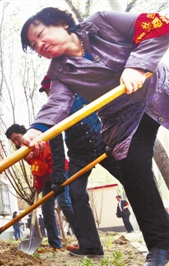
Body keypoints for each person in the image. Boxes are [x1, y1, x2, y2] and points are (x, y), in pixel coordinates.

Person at [20, 7, 169, 265]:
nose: (40, 46)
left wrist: (136, 65)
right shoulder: (59, 72)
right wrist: (35, 131)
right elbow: (57, 103)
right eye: (34, 46)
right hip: (124, 119)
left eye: (41, 35)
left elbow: (157, 25)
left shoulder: (102, 22)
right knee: (132, 171)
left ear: (62, 23)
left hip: (156, 88)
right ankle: (160, 246)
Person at [39, 75, 123, 257]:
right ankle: (92, 246)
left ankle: (162, 234)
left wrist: (113, 139)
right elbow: (56, 146)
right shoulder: (53, 112)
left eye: (50, 90)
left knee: (132, 180)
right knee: (76, 193)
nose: (49, 95)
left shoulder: (83, 93)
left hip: (103, 143)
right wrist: (58, 177)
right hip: (79, 155)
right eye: (46, 92)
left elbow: (108, 111)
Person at [6, 124, 79, 251]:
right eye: (13, 141)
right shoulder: (24, 152)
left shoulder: (34, 143)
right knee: (46, 209)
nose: (16, 142)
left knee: (64, 202)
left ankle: (83, 238)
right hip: (47, 178)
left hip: (60, 171)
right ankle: (55, 244)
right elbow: (37, 168)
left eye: (17, 138)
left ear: (24, 134)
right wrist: (38, 185)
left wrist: (38, 185)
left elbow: (39, 167)